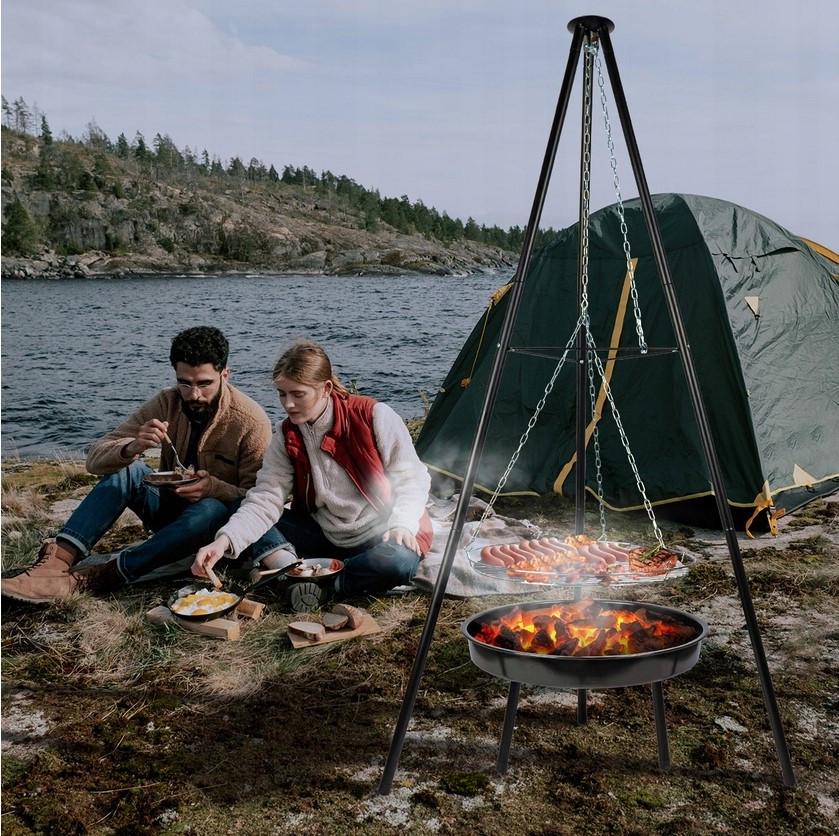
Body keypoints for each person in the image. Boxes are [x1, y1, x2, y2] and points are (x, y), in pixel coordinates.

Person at [1, 326, 286, 603]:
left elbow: (257, 500)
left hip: (214, 531)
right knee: (130, 469)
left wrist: (213, 488)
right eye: (184, 383)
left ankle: (102, 577)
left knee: (210, 508)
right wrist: (134, 446)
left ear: (225, 374)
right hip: (168, 512)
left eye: (204, 384)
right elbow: (94, 459)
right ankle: (55, 562)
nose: (194, 394)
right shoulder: (167, 401)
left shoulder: (251, 421)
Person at [192, 339, 432, 597]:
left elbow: (413, 480)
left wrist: (403, 524)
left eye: (298, 394)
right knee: (241, 506)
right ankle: (296, 571)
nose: (288, 404)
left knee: (398, 562)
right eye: (282, 394)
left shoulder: (374, 416)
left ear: (326, 388)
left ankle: (318, 585)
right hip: (325, 535)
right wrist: (223, 542)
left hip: (381, 532)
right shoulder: (286, 435)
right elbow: (266, 498)